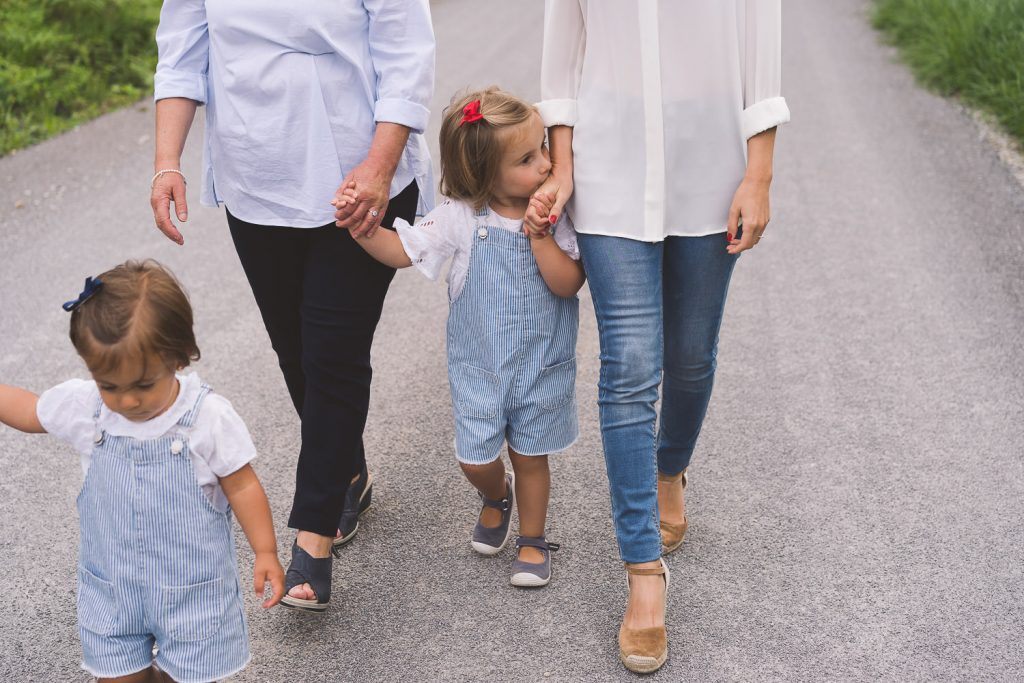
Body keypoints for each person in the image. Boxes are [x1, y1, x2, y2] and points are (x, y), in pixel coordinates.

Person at [528, 1, 792, 673]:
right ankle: (643, 572)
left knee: (691, 356)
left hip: (713, 166)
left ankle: (670, 464)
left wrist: (758, 174)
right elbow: (562, 57)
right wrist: (563, 164)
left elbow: (760, 49)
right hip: (611, 167)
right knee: (630, 366)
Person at [148, 0, 435, 611]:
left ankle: (313, 537)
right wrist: (166, 162)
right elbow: (182, 53)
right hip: (256, 179)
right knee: (295, 349)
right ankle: (346, 470)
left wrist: (380, 167)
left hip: (358, 177)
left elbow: (406, 56)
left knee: (332, 351)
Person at [336, 87, 585, 586]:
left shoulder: (553, 214)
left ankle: (533, 539)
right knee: (475, 458)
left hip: (540, 363)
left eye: (543, 150)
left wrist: (539, 234)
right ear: (483, 173)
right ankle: (496, 494)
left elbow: (568, 284)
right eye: (527, 158)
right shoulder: (460, 216)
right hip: (478, 369)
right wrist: (361, 229)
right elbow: (405, 249)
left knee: (532, 457)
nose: (545, 165)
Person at [0, 260, 285, 683]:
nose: (127, 402)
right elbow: (29, 411)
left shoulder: (206, 417)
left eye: (142, 385)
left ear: (179, 357)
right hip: (112, 591)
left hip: (194, 597)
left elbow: (242, 485)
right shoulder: (89, 410)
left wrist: (265, 551)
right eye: (109, 386)